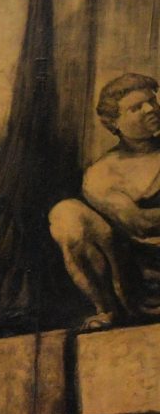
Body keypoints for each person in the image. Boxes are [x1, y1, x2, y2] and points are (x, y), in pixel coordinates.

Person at [48, 72, 160, 331]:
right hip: (140, 279)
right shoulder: (102, 173)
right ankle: (107, 309)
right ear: (114, 123)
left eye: (151, 101)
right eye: (136, 108)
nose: (150, 109)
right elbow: (140, 225)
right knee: (66, 214)